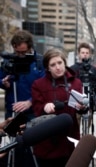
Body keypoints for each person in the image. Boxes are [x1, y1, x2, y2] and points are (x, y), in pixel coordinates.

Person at [31, 48, 85, 167]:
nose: (58, 67)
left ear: (64, 63)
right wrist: (45, 107)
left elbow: (82, 108)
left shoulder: (76, 83)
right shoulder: (38, 84)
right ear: (47, 68)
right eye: (53, 64)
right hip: (48, 141)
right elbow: (36, 108)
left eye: (60, 63)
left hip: (70, 138)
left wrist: (82, 107)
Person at [0, 30, 45, 167]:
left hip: (32, 113)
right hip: (12, 111)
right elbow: (0, 78)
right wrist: (3, 82)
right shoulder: (8, 60)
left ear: (30, 47)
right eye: (17, 52)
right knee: (14, 147)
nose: (20, 56)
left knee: (33, 148)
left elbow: (44, 87)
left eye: (23, 52)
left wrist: (30, 102)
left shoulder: (39, 62)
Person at [70, 42, 96, 132]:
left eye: (87, 53)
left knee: (87, 130)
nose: (85, 55)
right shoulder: (73, 69)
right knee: (75, 130)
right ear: (79, 53)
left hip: (89, 103)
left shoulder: (93, 69)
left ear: (89, 54)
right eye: (83, 53)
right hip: (76, 104)